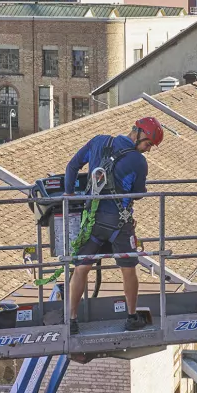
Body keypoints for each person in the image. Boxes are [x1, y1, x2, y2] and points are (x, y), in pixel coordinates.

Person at [64, 116, 164, 330]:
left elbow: (72, 166)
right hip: (119, 225)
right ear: (137, 133)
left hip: (91, 220)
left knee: (81, 268)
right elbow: (137, 195)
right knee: (128, 268)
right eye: (148, 144)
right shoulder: (138, 161)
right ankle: (131, 317)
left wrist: (70, 195)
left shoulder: (98, 141)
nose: (147, 149)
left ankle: (71, 320)